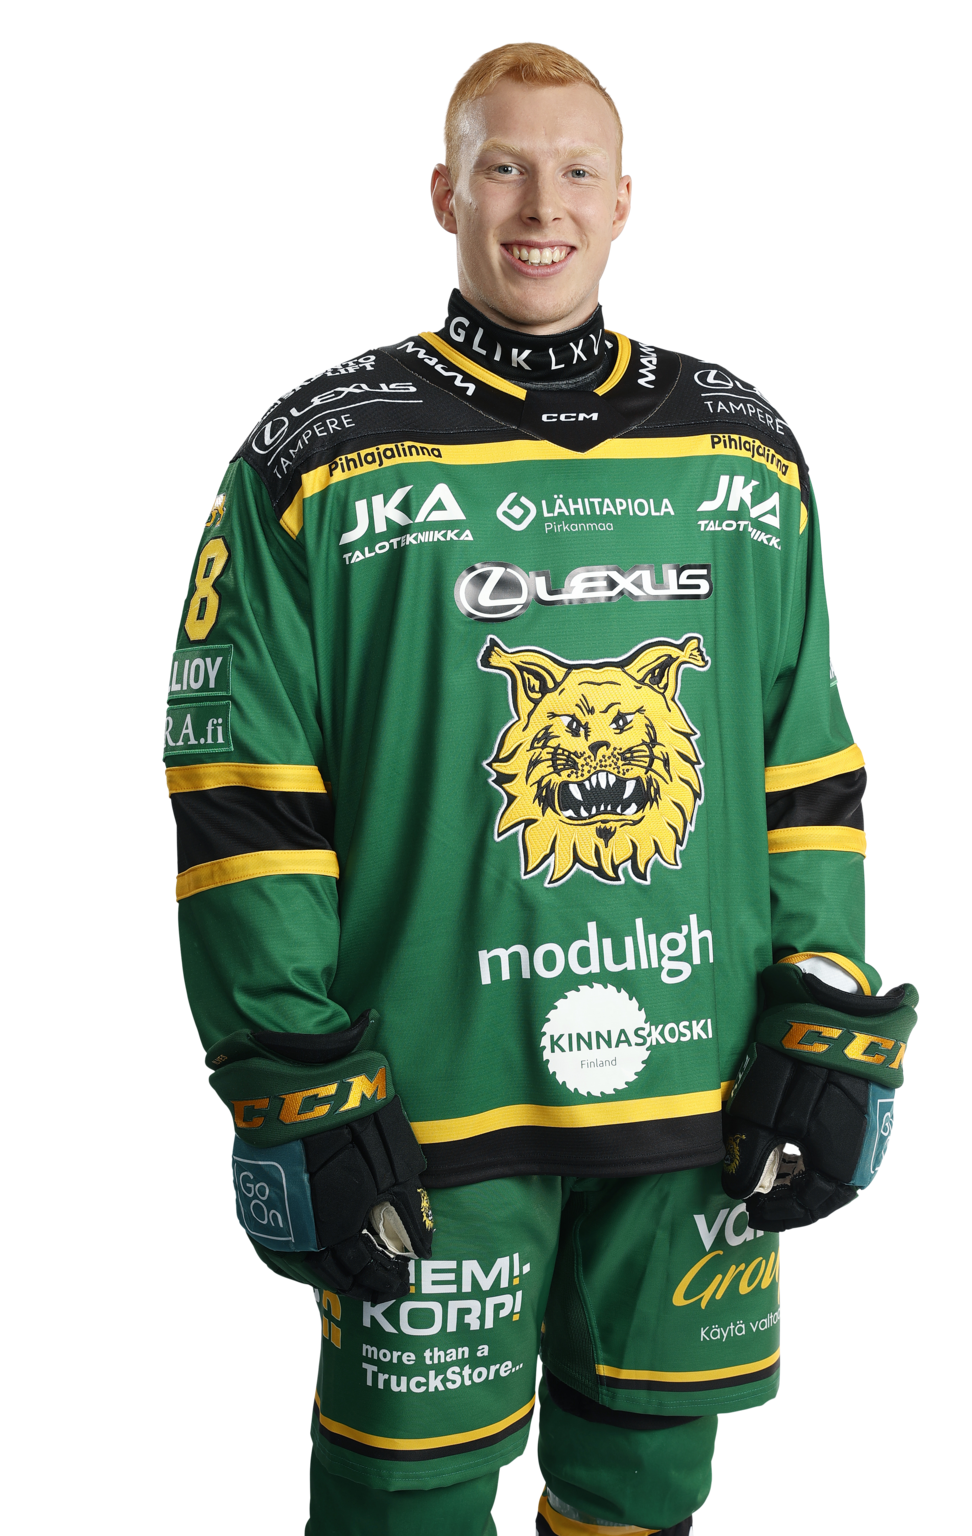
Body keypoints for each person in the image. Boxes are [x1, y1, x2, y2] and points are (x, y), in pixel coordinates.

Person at [165, 40, 918, 1536]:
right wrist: (289, 1061)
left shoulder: (745, 450)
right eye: (503, 167)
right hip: (423, 1104)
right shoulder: (319, 449)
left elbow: (807, 760)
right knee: (405, 1500)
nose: (540, 207)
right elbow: (239, 781)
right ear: (445, 193)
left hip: (699, 1096)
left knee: (649, 1484)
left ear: (624, 202)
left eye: (576, 171)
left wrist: (826, 993)